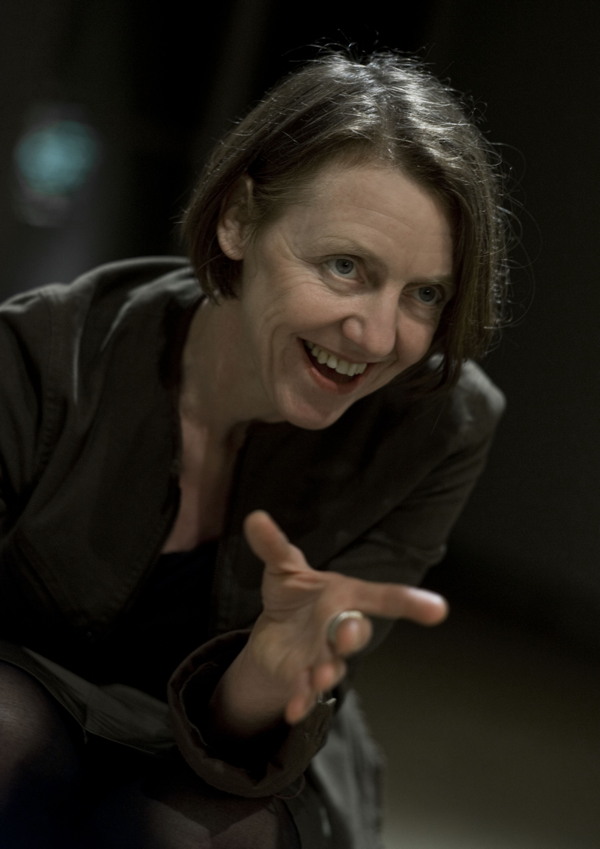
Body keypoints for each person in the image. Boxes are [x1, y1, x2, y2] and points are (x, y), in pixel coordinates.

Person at [0, 49, 508, 848]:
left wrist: (265, 677)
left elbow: (245, 739)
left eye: (424, 293)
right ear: (239, 219)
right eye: (345, 266)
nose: (378, 336)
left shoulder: (442, 425)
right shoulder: (38, 357)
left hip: (236, 757)